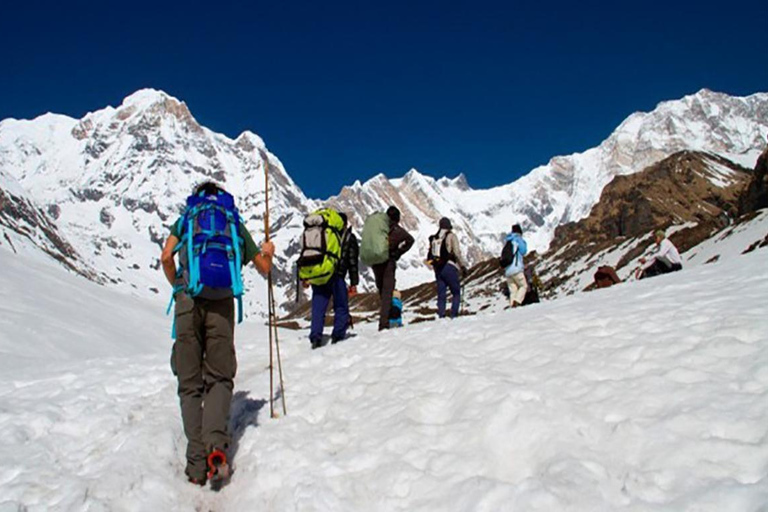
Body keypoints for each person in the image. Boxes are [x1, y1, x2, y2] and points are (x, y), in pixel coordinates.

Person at [160, 181, 275, 487]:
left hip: (187, 300)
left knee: (189, 385)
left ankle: (196, 464)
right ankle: (217, 447)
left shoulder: (186, 218)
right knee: (220, 378)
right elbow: (264, 267)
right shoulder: (233, 221)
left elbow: (166, 258)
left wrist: (177, 286)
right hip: (221, 303)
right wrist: (268, 252)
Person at [307, 212, 359, 349]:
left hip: (320, 274)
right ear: (345, 224)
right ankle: (338, 335)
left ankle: (316, 338)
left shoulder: (322, 233)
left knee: (318, 308)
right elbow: (353, 262)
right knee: (341, 306)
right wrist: (354, 283)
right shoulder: (349, 237)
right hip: (337, 276)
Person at [371, 206, 414, 331]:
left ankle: (387, 317)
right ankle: (384, 324)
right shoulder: (397, 230)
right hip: (388, 262)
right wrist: (398, 252)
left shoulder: (378, 228)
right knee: (387, 293)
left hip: (376, 263)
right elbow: (410, 240)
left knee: (381, 290)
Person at [428, 217, 467, 318]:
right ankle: (454, 315)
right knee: (456, 292)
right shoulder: (451, 236)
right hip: (449, 266)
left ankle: (442, 314)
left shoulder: (435, 238)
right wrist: (462, 266)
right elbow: (457, 253)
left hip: (438, 268)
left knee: (441, 293)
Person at [502, 224, 528, 308]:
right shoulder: (518, 239)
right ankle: (517, 301)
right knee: (523, 286)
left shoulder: (508, 241)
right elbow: (523, 251)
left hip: (508, 271)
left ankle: (512, 307)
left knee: (513, 290)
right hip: (516, 269)